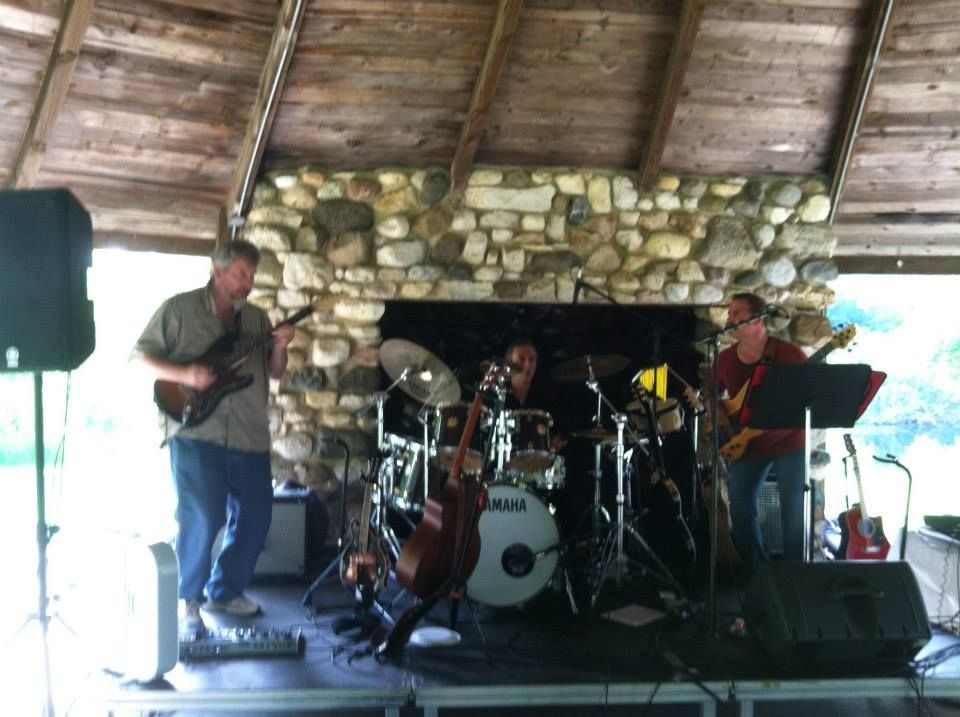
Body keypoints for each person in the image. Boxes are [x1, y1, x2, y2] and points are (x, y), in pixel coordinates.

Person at [132, 240, 294, 633]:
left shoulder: (256, 319)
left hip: (249, 434)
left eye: (251, 276)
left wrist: (280, 347)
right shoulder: (180, 309)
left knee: (257, 517)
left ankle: (225, 590)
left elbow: (274, 372)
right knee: (202, 516)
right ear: (217, 271)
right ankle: (190, 599)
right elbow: (139, 357)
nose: (247, 283)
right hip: (195, 431)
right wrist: (186, 374)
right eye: (240, 274)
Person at [715, 292, 806, 576]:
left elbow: (805, 398)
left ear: (758, 319)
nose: (729, 319)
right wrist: (716, 411)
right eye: (729, 313)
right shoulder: (725, 359)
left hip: (788, 442)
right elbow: (710, 392)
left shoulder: (789, 355)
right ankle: (760, 575)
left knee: (793, 515)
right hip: (747, 446)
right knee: (740, 512)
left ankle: (794, 580)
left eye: (736, 313)